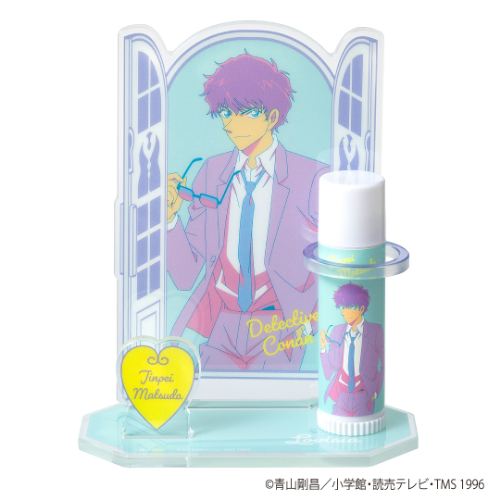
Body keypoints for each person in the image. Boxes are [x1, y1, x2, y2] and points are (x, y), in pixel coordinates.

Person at [167, 53, 328, 371]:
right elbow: (185, 275)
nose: (232, 124)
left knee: (276, 400)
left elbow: (335, 260)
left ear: (272, 116)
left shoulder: (312, 177)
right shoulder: (211, 173)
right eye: (226, 112)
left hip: (281, 326)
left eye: (248, 112)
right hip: (220, 324)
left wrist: (310, 324)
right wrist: (171, 220)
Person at [320, 283, 384, 416]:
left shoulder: (375, 331)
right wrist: (323, 349)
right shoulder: (336, 331)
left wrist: (376, 392)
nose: (346, 312)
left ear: (361, 308)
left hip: (364, 396)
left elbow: (384, 364)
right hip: (341, 396)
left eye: (352, 307)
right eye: (342, 307)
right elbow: (328, 373)